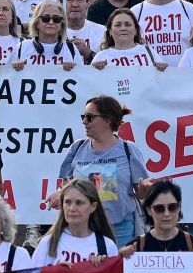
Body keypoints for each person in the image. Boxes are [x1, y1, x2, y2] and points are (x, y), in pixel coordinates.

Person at [55, 95, 150, 244]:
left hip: (120, 229)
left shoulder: (128, 149)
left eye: (90, 117)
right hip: (82, 229)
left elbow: (141, 192)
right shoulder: (77, 148)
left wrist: (144, 189)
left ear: (107, 121)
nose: (84, 121)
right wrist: (59, 194)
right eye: (83, 116)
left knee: (117, 268)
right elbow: (66, 186)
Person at [121, 180, 193, 255]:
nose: (166, 213)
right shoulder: (135, 247)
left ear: (179, 207)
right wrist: (120, 258)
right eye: (159, 208)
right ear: (148, 210)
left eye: (172, 207)